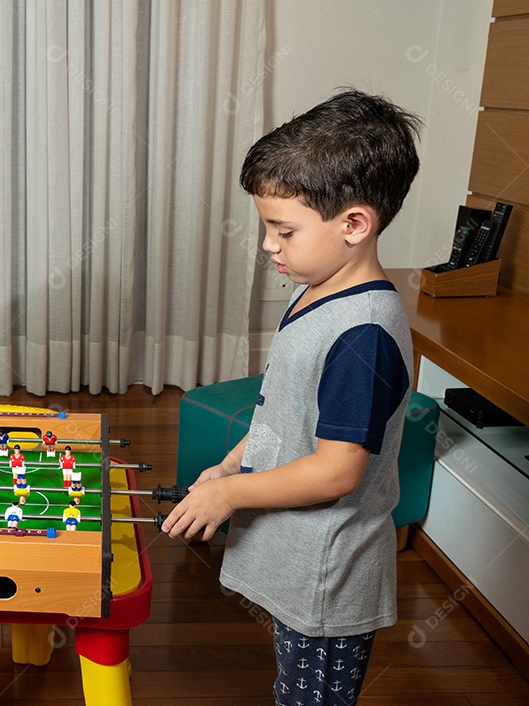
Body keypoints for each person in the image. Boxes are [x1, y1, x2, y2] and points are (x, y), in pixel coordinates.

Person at [160, 90, 421, 706]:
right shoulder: (315, 290)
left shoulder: (365, 337)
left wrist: (228, 494)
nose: (269, 245)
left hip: (327, 579)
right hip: (296, 562)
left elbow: (336, 472)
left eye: (284, 230)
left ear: (354, 224)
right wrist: (227, 467)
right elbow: (281, 412)